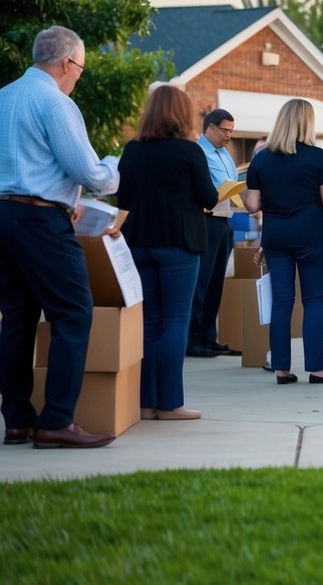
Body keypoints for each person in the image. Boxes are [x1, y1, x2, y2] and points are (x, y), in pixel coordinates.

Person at [0, 26, 120, 449]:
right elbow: (90, 174)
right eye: (80, 69)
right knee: (73, 313)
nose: (78, 77)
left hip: (4, 215)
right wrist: (113, 165)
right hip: (39, 220)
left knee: (16, 316)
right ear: (68, 63)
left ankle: (17, 420)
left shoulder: (4, 96)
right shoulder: (55, 102)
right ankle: (56, 421)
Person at [116, 86, 218, 421]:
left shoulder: (132, 150)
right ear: (182, 114)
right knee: (176, 321)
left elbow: (123, 199)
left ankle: (145, 404)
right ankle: (171, 403)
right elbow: (208, 197)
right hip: (179, 244)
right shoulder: (189, 152)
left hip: (140, 244)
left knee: (150, 322)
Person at [243, 99, 323, 384]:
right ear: (307, 123)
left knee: (282, 302)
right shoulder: (317, 157)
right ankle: (316, 368)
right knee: (314, 301)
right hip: (310, 236)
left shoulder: (261, 159)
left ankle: (281, 368)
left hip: (276, 237)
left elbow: (252, 204)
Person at [188, 108, 240, 357]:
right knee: (201, 282)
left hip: (224, 220)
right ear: (210, 128)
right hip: (206, 220)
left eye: (232, 130)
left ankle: (209, 336)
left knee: (216, 282)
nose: (229, 135)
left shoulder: (224, 154)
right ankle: (193, 338)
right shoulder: (197, 152)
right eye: (225, 130)